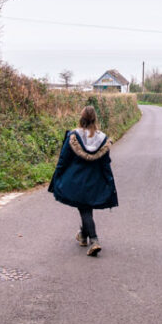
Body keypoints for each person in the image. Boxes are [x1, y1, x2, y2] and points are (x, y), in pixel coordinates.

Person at [48, 105, 118, 256]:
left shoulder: (73, 136)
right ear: (95, 119)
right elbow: (106, 165)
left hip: (77, 182)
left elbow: (63, 159)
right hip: (94, 182)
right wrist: (110, 183)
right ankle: (82, 236)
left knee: (85, 210)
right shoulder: (102, 139)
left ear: (81, 118)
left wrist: (57, 176)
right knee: (86, 209)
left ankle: (94, 240)